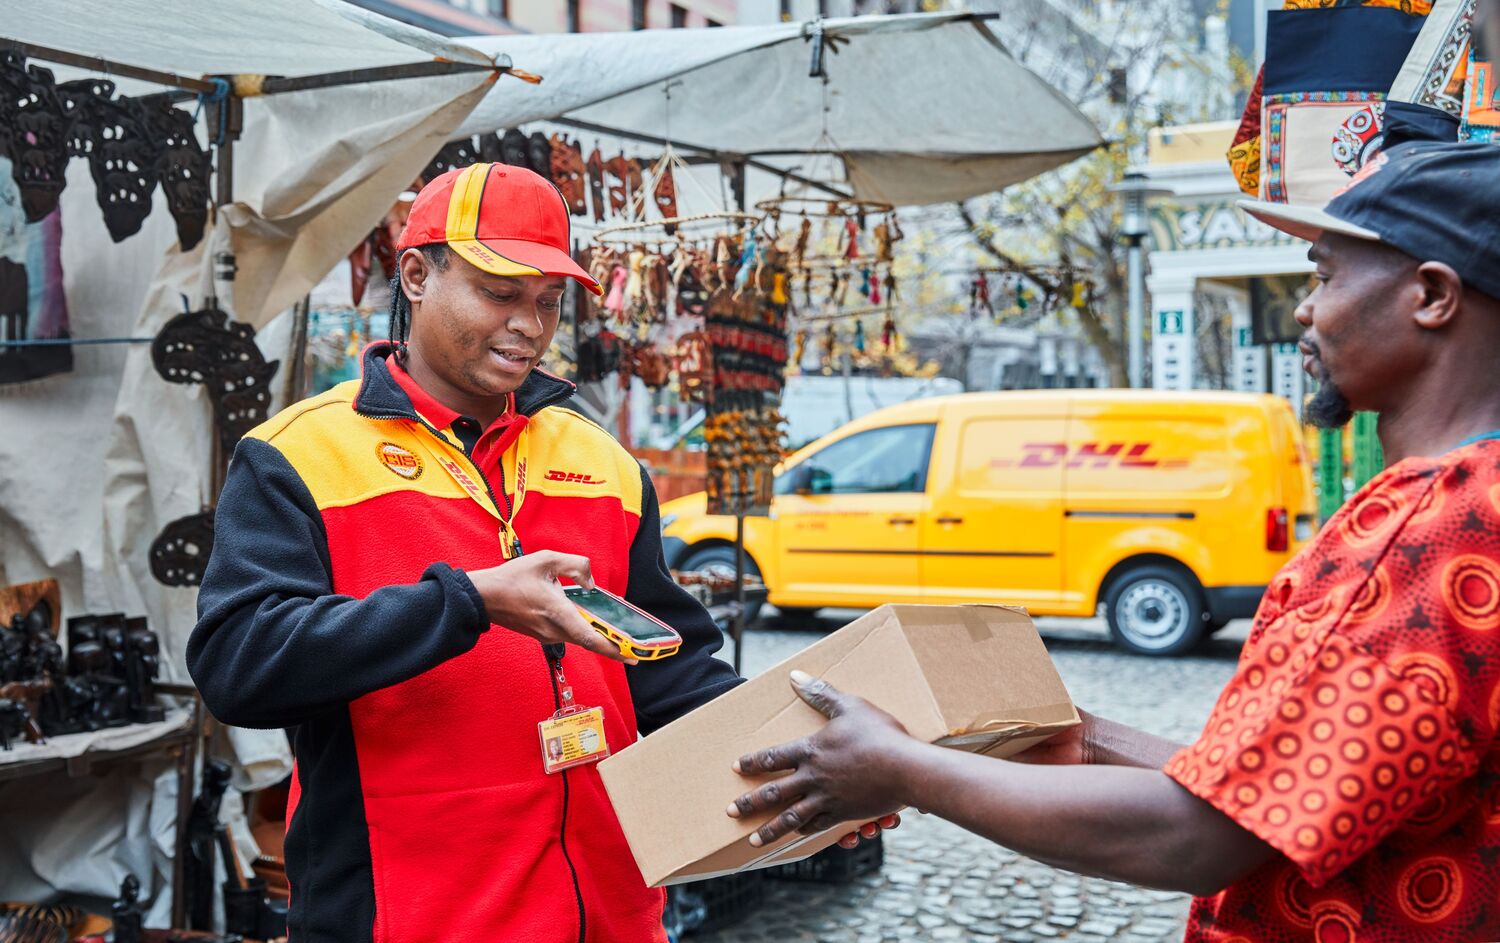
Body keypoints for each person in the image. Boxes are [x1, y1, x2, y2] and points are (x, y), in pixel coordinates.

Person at [728, 140, 1500, 941]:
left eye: (1324, 275)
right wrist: (1090, 742)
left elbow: (1201, 837)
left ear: (1433, 296)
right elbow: (1285, 785)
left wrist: (905, 770)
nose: (1306, 309)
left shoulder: (1434, 522)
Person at [189, 163, 745, 943]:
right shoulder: (297, 455)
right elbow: (237, 666)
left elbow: (669, 666)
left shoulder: (604, 461)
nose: (530, 324)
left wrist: (804, 760)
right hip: (406, 920)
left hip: (613, 919)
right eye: (500, 292)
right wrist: (469, 601)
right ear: (416, 275)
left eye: (549, 302)